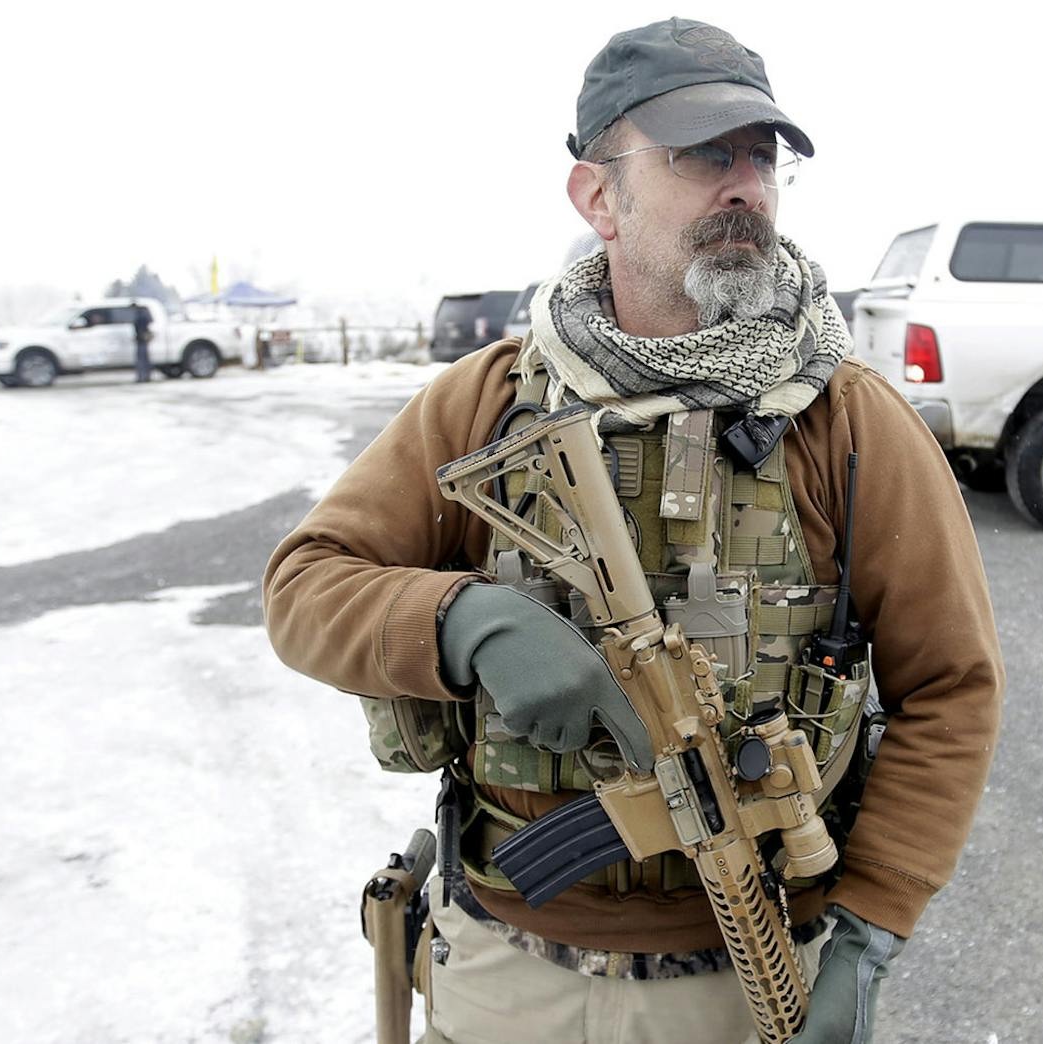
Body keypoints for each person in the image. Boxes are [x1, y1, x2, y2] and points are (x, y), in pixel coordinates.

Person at [263, 17, 1002, 1044]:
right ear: (598, 196)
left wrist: (872, 932)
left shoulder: (847, 419)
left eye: (762, 158)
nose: (745, 185)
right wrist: (460, 620)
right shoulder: (487, 404)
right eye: (704, 154)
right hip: (502, 974)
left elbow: (951, 688)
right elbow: (303, 586)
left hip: (742, 987)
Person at [130, 303, 153, 383]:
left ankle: (142, 377)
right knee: (144, 359)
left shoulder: (139, 316)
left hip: (141, 339)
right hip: (142, 339)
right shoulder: (142, 315)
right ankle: (145, 376)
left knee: (141, 360)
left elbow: (141, 328)